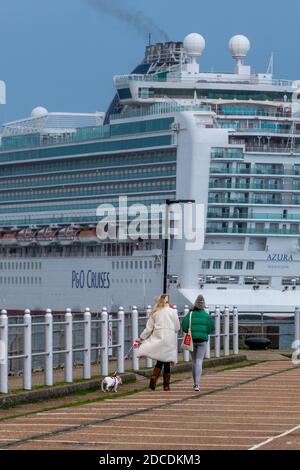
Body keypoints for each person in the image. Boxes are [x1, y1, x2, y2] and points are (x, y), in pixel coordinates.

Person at [136, 294, 180, 391]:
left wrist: (140, 338)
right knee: (166, 361)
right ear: (168, 302)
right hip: (169, 339)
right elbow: (177, 328)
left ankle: (153, 380)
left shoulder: (155, 312)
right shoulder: (173, 312)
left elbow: (148, 329)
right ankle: (166, 385)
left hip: (159, 338)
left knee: (160, 361)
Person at [182, 295, 215, 392]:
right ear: (203, 306)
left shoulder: (190, 314)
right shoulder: (206, 315)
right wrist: (204, 333)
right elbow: (210, 328)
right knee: (199, 361)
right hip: (202, 340)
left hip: (192, 340)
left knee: (194, 361)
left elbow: (184, 326)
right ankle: (197, 384)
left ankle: (194, 383)